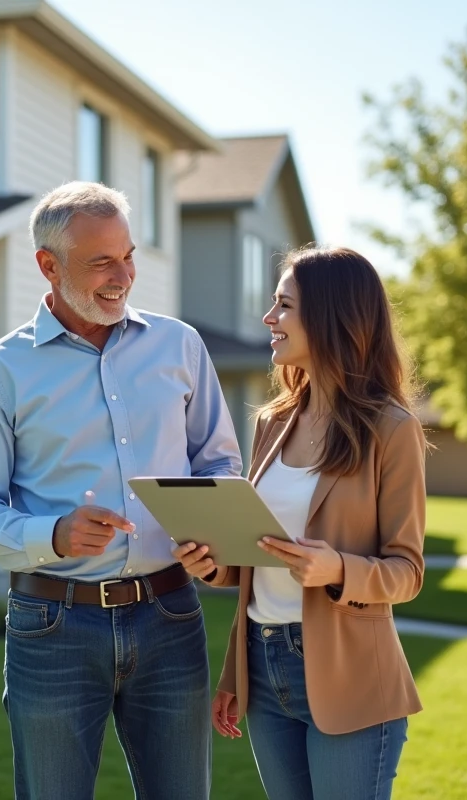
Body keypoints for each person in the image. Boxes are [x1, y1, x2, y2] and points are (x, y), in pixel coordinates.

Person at [0, 181, 242, 800]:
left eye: (128, 256)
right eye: (102, 261)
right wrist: (53, 534)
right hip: (53, 626)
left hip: (170, 614)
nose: (123, 276)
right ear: (48, 266)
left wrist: (212, 539)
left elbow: (219, 464)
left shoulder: (180, 346)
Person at [174, 246, 426, 800]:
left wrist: (337, 569)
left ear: (332, 315)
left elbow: (407, 571)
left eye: (284, 305)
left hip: (351, 675)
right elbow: (257, 556)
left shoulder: (391, 429)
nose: (269, 318)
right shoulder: (274, 421)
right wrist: (211, 567)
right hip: (265, 669)